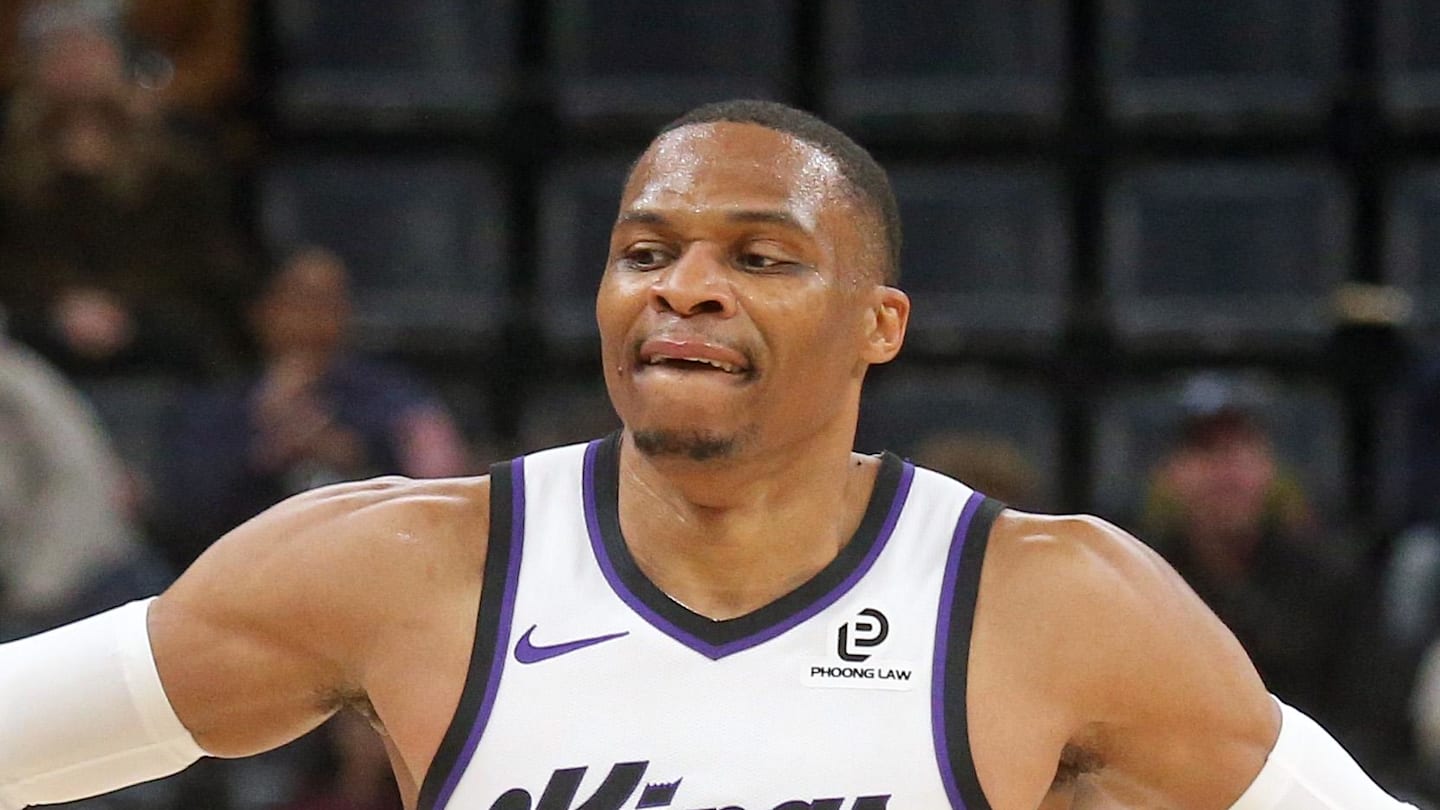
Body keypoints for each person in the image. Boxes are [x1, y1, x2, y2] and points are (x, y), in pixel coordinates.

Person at [0, 100, 1414, 809]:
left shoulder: (1055, 602)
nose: (684, 286)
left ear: (879, 324)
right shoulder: (400, 565)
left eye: (759, 255)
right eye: (646, 249)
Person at [156, 247, 472, 567]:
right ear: (262, 312)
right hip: (251, 575)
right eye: (301, 301)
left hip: (376, 567)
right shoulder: (213, 409)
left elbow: (443, 489)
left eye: (332, 302)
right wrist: (268, 444)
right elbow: (186, 513)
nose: (317, 317)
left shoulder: (395, 396)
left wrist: (351, 454)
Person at [0, 0, 250, 380]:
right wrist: (61, 305)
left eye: (89, 49)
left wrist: (121, 307)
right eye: (61, 52)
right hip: (34, 319)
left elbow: (199, 258)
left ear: (118, 58)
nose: (76, 66)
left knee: (190, 333)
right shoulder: (8, 165)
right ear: (35, 68)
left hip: (153, 319)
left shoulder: (177, 161)